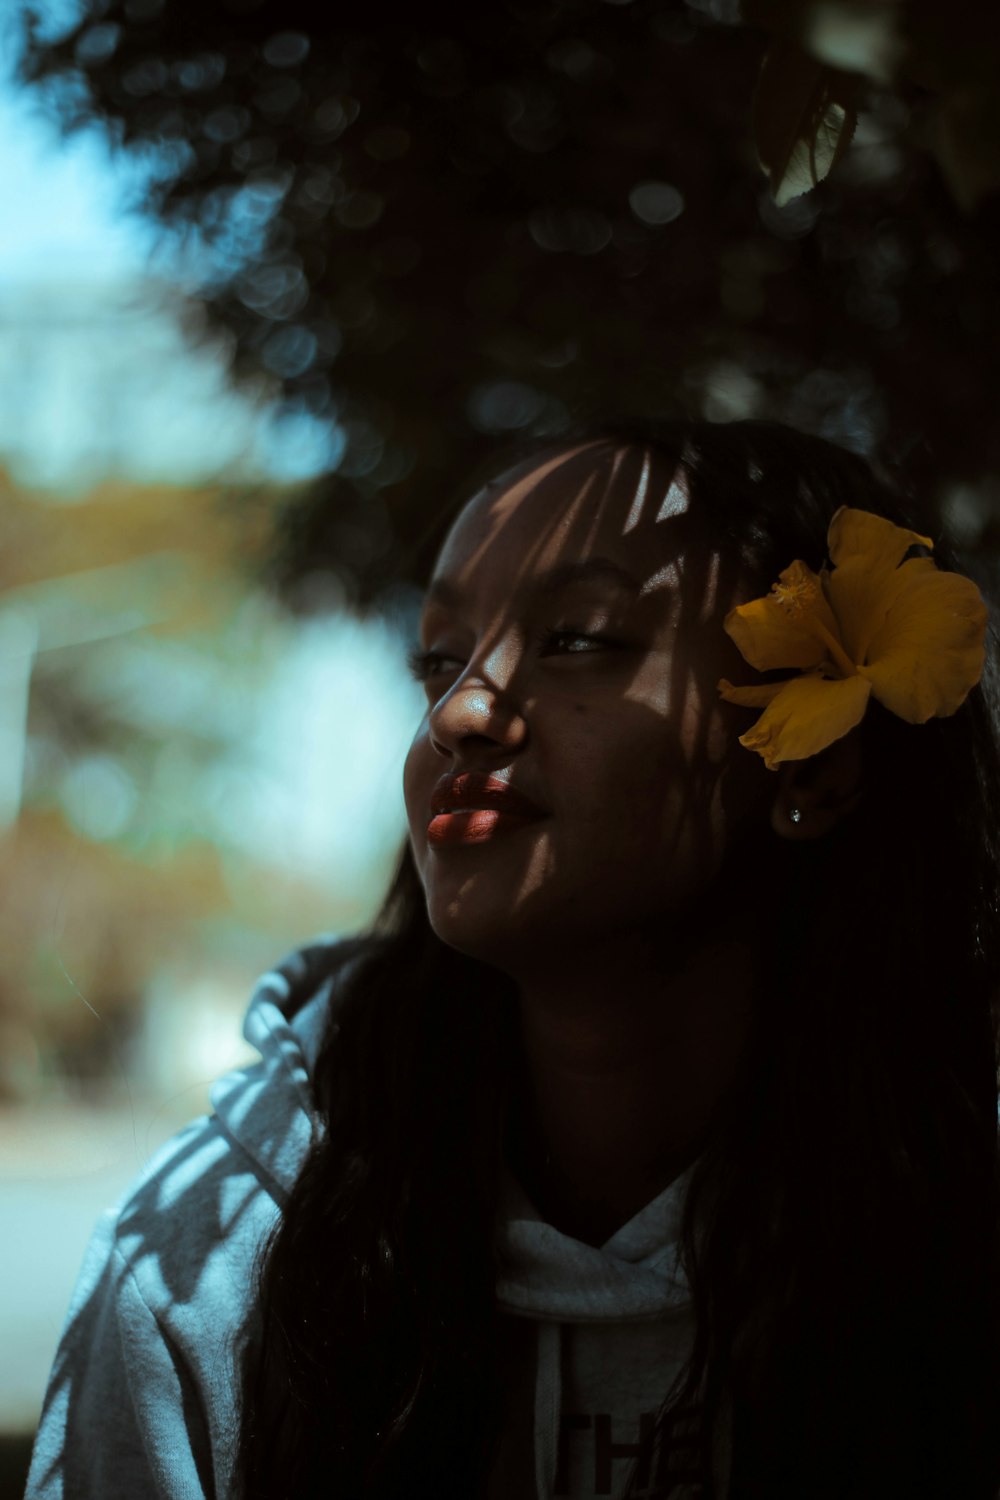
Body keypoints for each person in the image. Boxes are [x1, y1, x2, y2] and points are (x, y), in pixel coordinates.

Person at [25, 422, 1000, 1500]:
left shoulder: (960, 1235)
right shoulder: (206, 1276)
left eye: (579, 637)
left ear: (816, 764)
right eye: (438, 658)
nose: (461, 711)